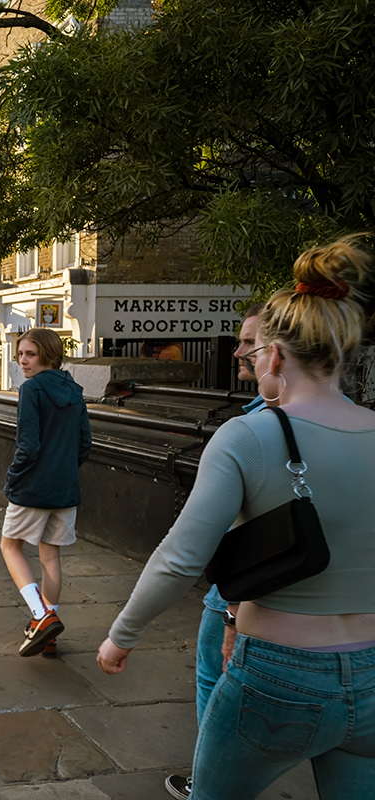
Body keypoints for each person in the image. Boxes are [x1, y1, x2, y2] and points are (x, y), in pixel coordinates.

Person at [97, 236, 375, 799]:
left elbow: (180, 558)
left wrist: (120, 636)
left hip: (276, 675)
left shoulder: (248, 436)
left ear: (275, 355)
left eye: (255, 355)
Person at [164, 302, 266, 799]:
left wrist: (230, 614)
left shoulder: (249, 431)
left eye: (250, 342)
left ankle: (209, 783)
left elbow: (189, 546)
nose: (239, 350)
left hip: (239, 593)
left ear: (280, 352)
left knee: (215, 683)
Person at [0, 328, 91, 658]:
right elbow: (84, 445)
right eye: (20, 354)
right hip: (65, 488)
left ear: (48, 355)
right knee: (50, 556)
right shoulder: (74, 390)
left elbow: (28, 445)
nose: (23, 361)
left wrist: (14, 478)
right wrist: (63, 470)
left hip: (33, 487)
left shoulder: (32, 389)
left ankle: (42, 616)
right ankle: (48, 635)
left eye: (30, 354)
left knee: (9, 547)